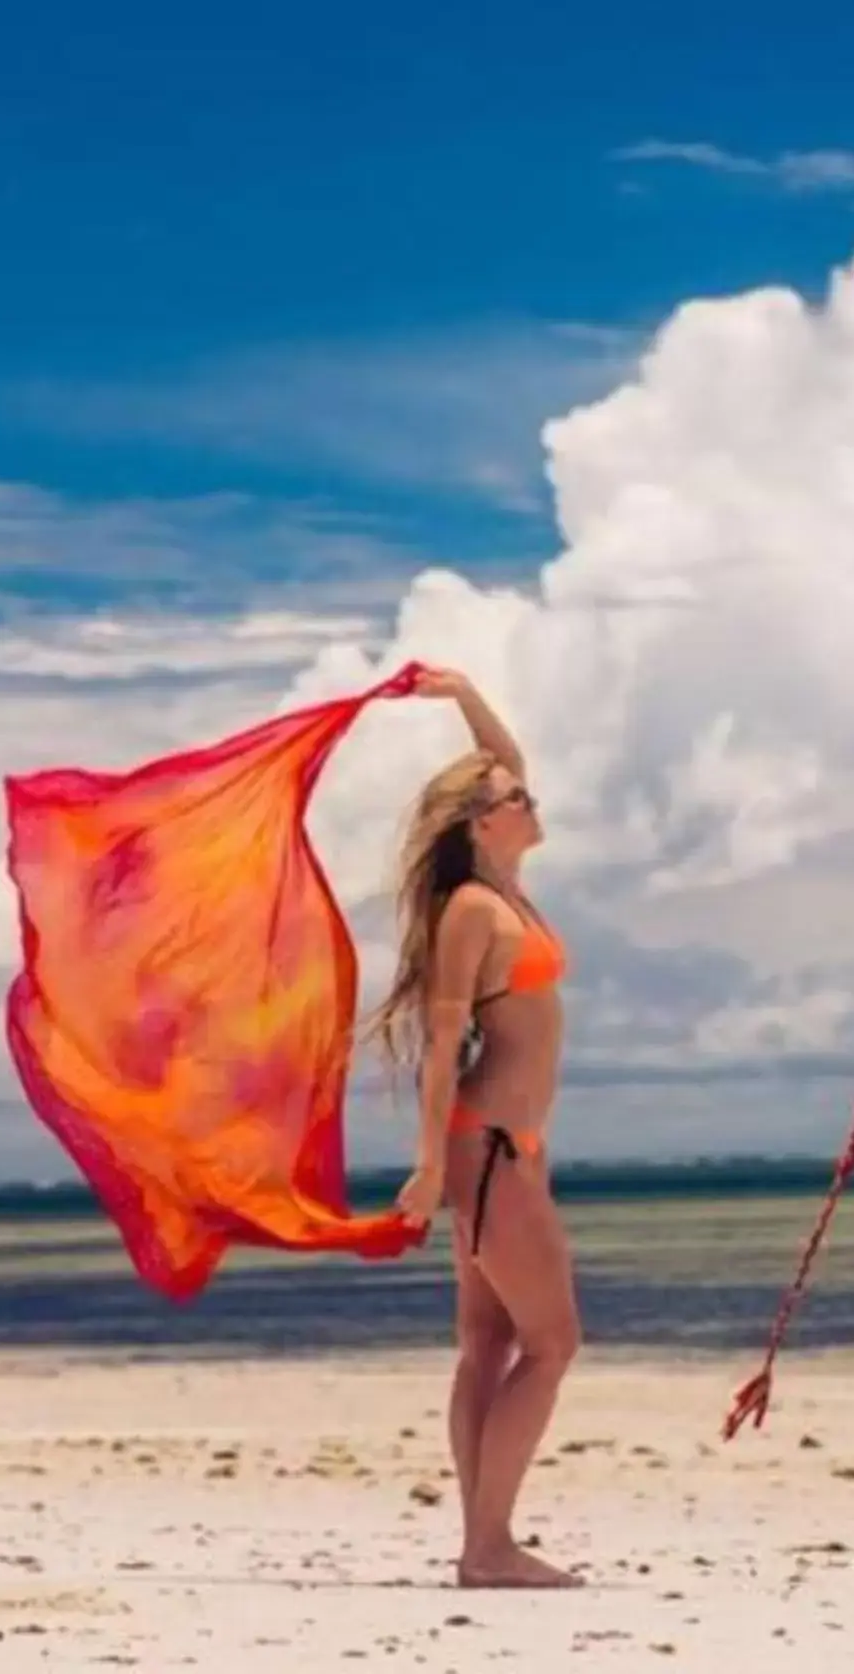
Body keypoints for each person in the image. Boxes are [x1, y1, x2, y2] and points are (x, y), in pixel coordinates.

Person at [372, 668, 583, 1590]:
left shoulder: (504, 883)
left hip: (509, 1149)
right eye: (514, 799)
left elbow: (506, 756)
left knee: (491, 1346)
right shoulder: (469, 912)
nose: (530, 798)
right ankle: (489, 1546)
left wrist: (461, 689)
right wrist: (428, 1167)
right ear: (481, 822)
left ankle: (483, 1544)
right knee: (552, 1344)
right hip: (486, 1150)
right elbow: (438, 1042)